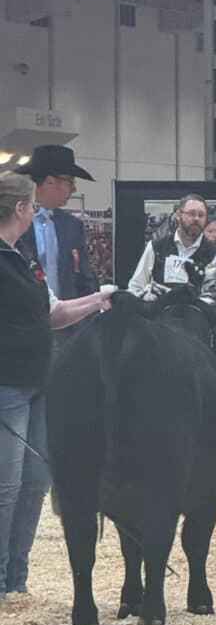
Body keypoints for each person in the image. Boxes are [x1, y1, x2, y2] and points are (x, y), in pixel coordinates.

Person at [0, 172, 113, 601]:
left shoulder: (25, 256)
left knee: (35, 484)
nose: (35, 212)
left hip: (38, 382)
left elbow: (54, 312)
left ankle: (17, 580)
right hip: (6, 386)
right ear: (19, 209)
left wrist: (98, 300)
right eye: (32, 205)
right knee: (5, 488)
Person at [16, 144, 99, 300]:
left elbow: (84, 278)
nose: (73, 189)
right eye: (70, 181)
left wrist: (90, 308)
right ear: (50, 182)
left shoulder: (72, 226)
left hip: (68, 312)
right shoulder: (14, 221)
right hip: (24, 311)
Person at [128, 193, 216, 296]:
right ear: (178, 215)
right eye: (191, 213)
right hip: (160, 305)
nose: (196, 218)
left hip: (197, 306)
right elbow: (135, 287)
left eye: (201, 215)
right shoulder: (156, 247)